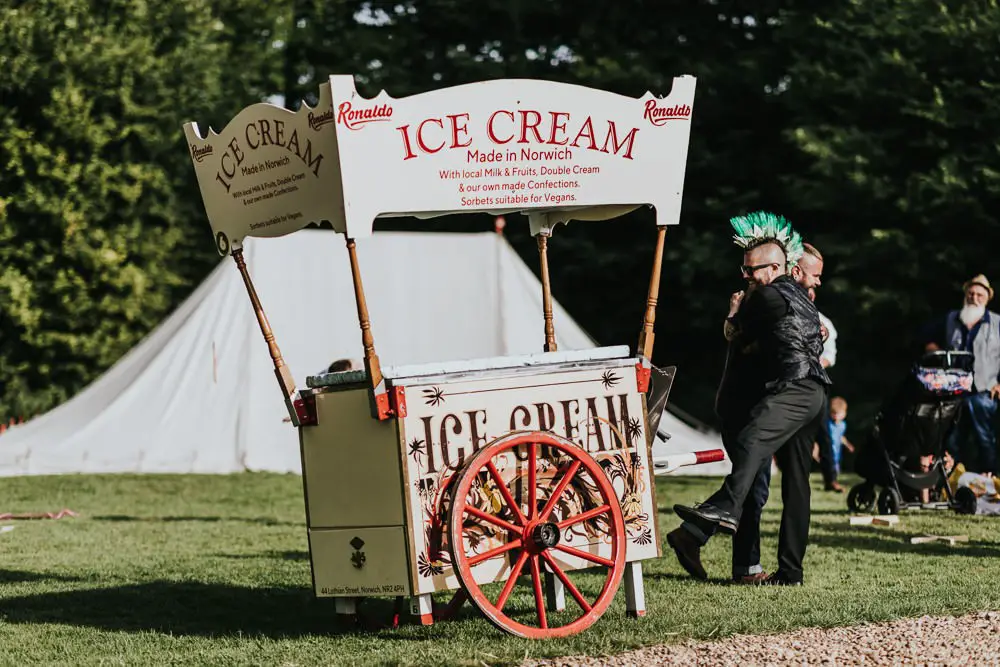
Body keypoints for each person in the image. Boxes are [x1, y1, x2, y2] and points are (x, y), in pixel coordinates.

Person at [666, 211, 830, 586]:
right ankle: (787, 572)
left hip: (791, 390)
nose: (745, 276)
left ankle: (711, 519)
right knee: (791, 484)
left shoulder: (766, 295)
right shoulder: (802, 300)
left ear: (775, 268)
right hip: (813, 393)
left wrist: (734, 311)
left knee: (753, 447)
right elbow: (813, 336)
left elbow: (732, 332)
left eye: (750, 269)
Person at [924, 275, 1000, 475]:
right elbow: (926, 337)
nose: (974, 297)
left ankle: (989, 475)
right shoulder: (951, 319)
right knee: (950, 435)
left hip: (984, 390)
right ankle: (951, 478)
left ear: (987, 298)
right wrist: (932, 350)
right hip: (954, 389)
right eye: (971, 293)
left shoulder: (997, 323)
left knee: (983, 430)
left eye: (979, 295)